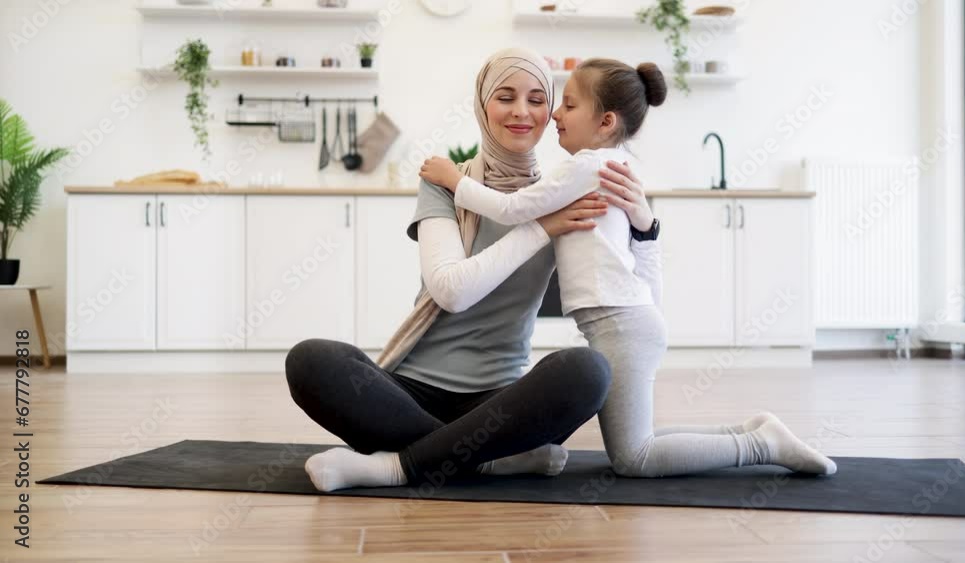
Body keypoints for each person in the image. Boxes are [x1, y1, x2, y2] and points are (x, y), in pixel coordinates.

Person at [419, 58, 837, 477]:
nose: (555, 116)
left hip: (620, 325)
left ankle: (760, 445)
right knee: (639, 442)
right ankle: (750, 431)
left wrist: (454, 181)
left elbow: (511, 208)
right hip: (628, 321)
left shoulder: (583, 166)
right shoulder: (606, 167)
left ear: (605, 122)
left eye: (566, 104)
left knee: (634, 459)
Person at [284, 48, 658, 492]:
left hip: (500, 405)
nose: (522, 111)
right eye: (506, 96)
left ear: (550, 113)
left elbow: (632, 292)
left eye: (539, 99)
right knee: (311, 361)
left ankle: (400, 464)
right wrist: (540, 229)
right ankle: (488, 461)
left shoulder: (564, 190)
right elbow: (451, 291)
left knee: (588, 371)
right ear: (482, 105)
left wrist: (645, 227)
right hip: (410, 393)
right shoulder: (447, 182)